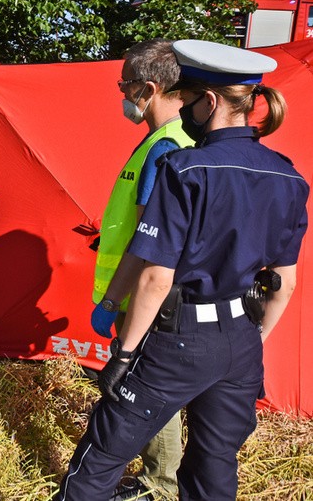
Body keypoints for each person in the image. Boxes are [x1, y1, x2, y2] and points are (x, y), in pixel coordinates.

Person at [57, 39, 309, 500]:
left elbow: (156, 277)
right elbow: (285, 284)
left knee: (100, 462)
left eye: (187, 98)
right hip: (242, 340)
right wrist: (247, 345)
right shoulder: (288, 176)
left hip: (178, 339)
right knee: (213, 470)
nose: (183, 109)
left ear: (208, 102)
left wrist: (125, 355)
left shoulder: (185, 168)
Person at [90, 38, 194, 499]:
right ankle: (161, 478)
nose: (122, 95)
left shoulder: (164, 147)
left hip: (146, 297)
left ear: (148, 88)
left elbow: (153, 243)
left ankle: (160, 485)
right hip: (149, 293)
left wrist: (115, 300)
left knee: (148, 393)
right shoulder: (173, 140)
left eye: (124, 85)